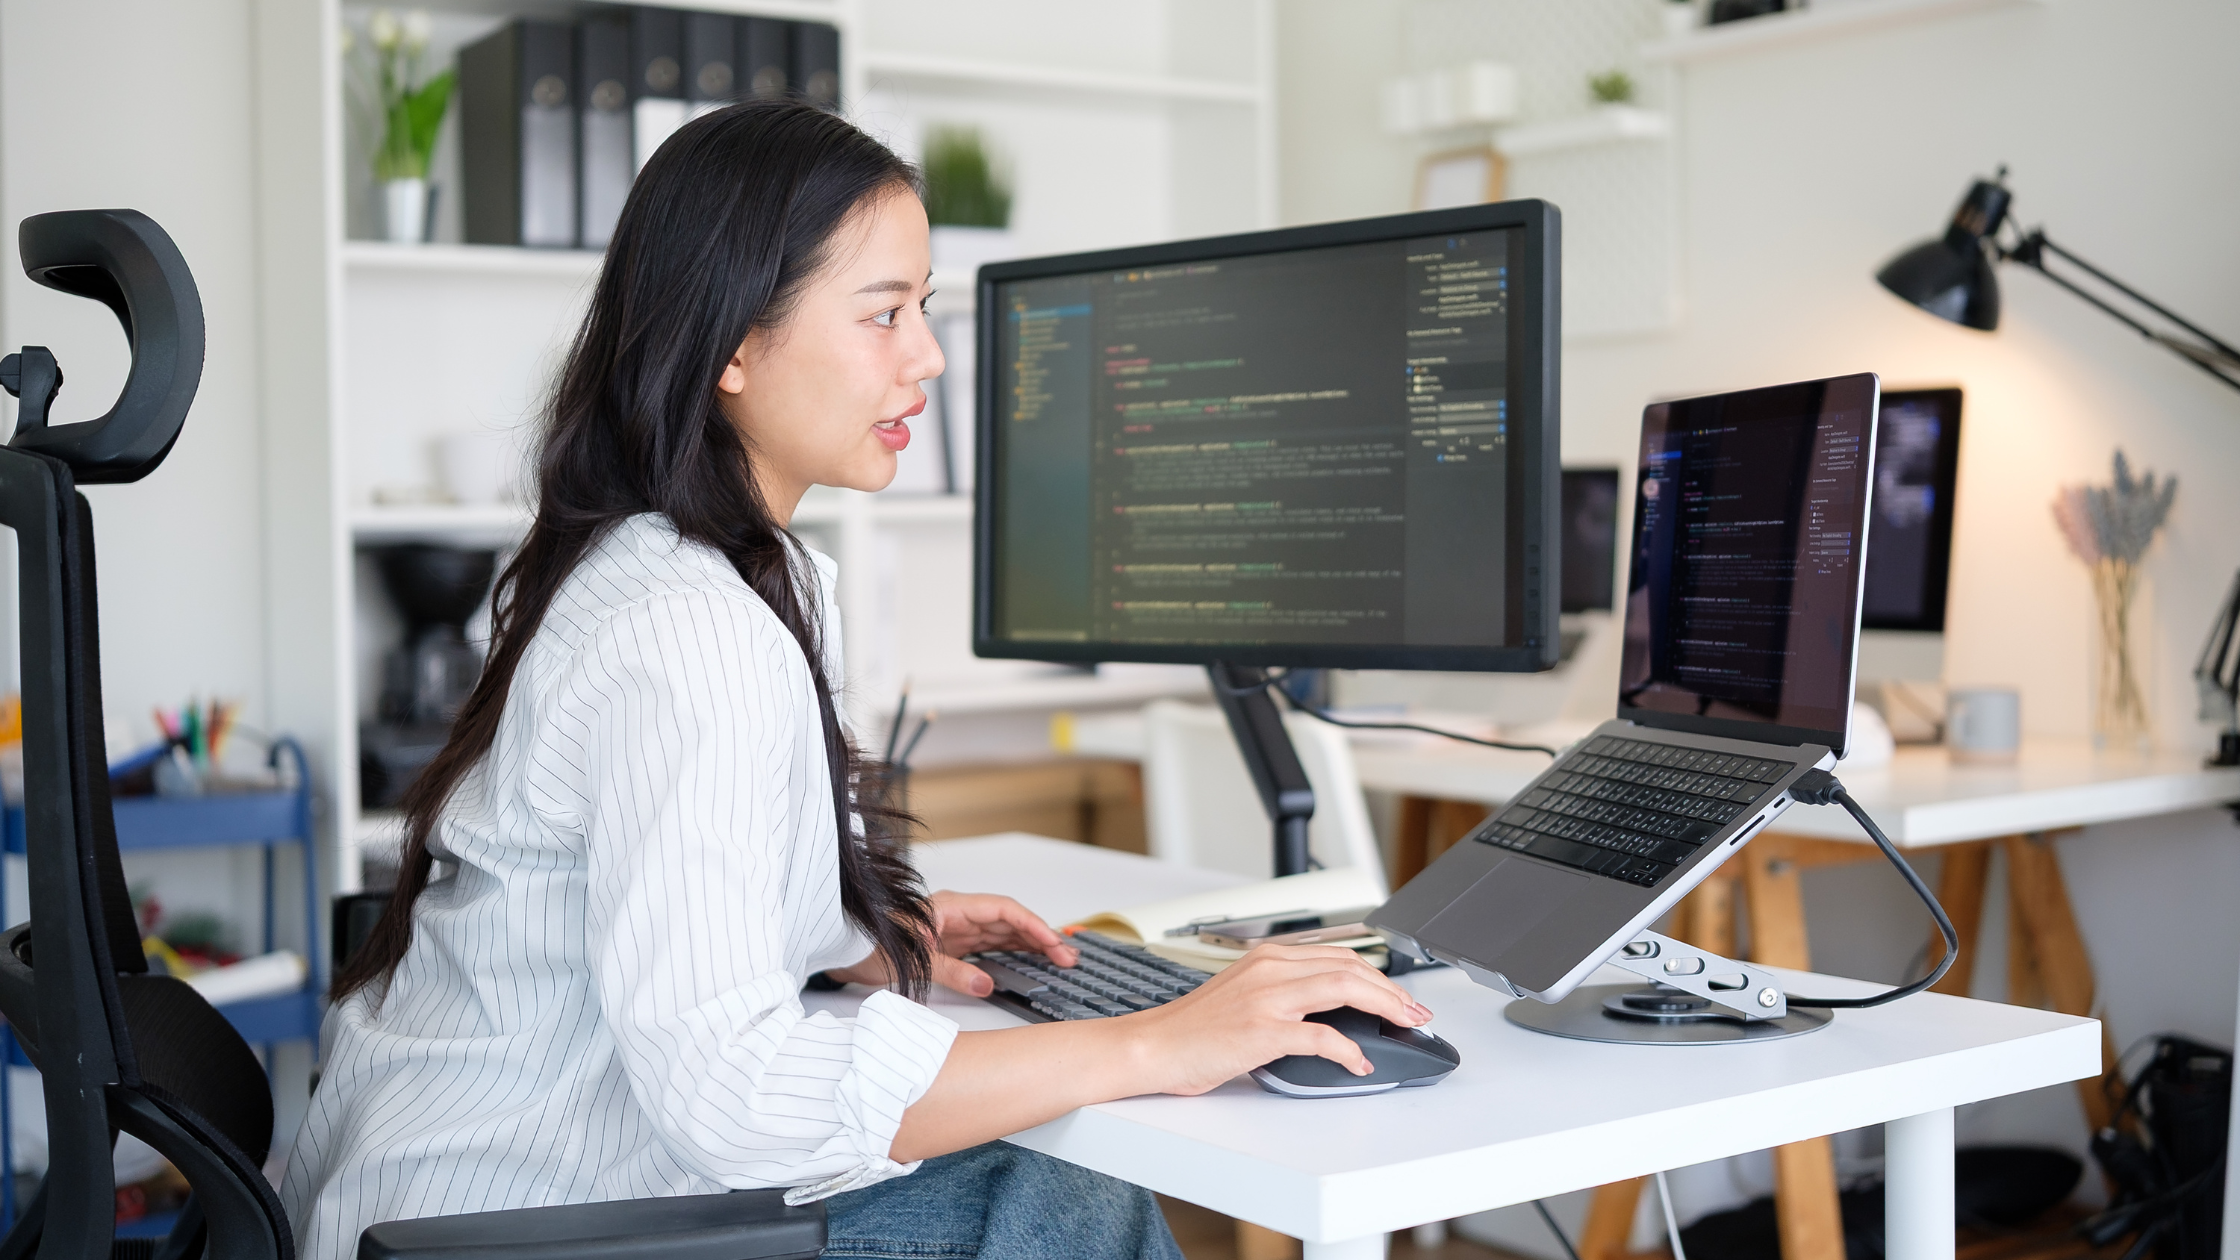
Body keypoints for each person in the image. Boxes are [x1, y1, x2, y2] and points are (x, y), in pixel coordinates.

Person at [282, 100, 1433, 1260]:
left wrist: (858, 935)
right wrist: (1154, 1043)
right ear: (733, 347)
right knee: (1062, 1194)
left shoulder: (722, 571)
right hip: (499, 1220)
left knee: (1042, 1168)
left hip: (466, 1181)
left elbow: (660, 896)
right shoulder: (689, 631)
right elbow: (731, 1092)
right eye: (883, 314)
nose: (926, 356)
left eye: (921, 309)